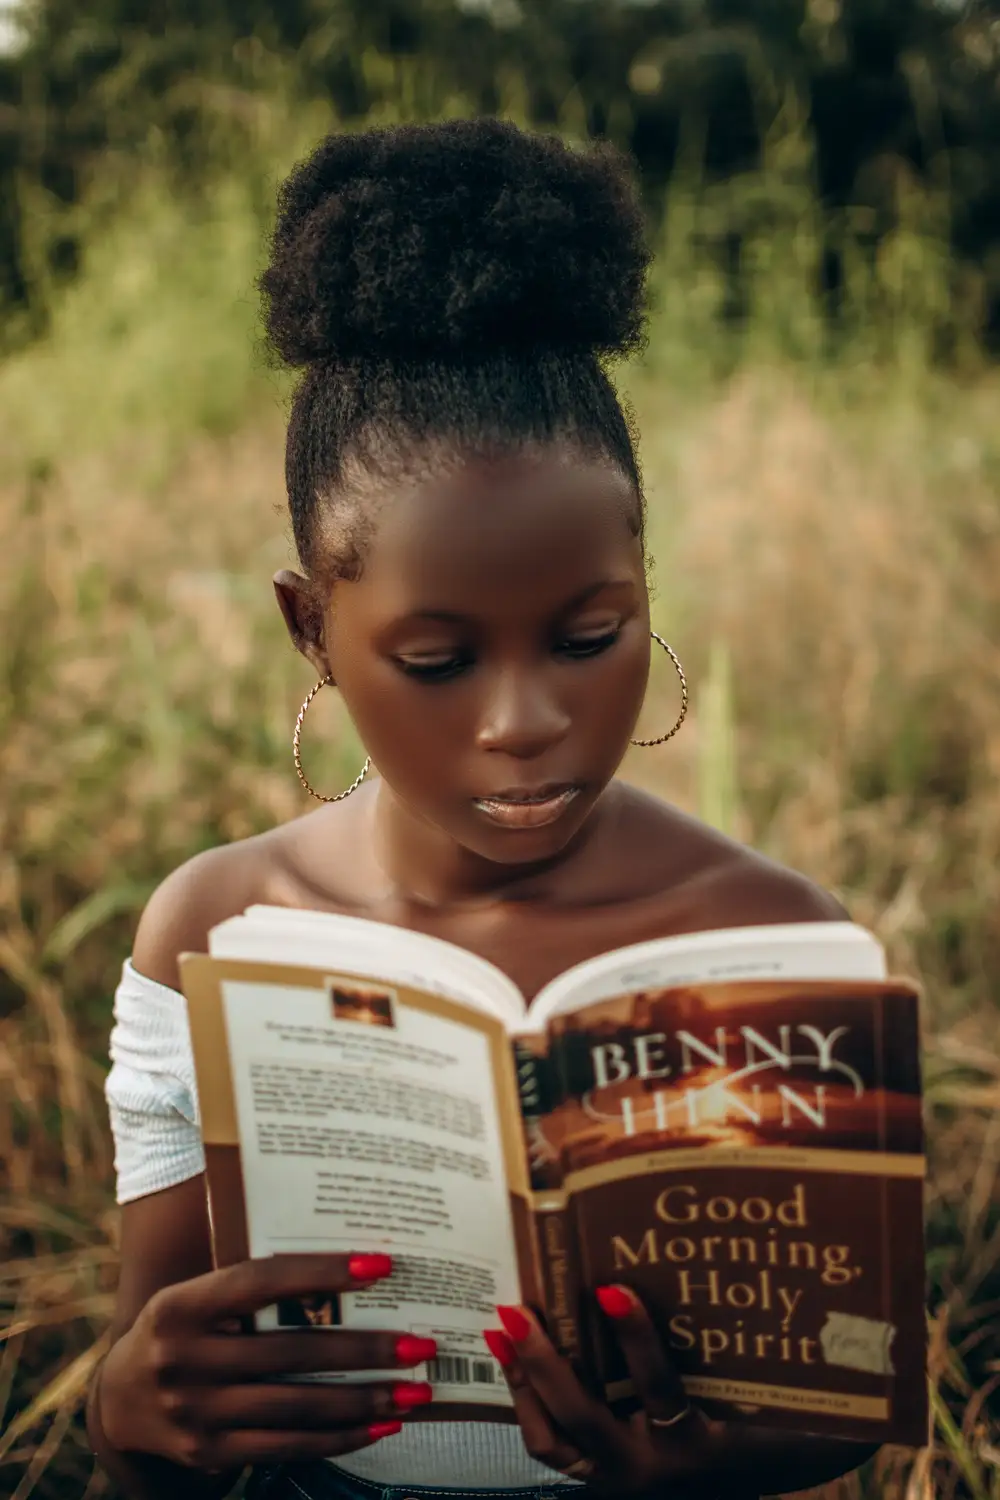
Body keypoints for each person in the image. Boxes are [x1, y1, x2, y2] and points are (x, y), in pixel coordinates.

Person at [86, 118, 878, 1500]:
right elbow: (147, 1397)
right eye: (439, 662)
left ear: (644, 586)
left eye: (588, 636)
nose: (524, 722)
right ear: (313, 631)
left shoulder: (773, 941)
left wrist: (695, 1462)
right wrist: (126, 1402)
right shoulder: (214, 930)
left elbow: (844, 1408)